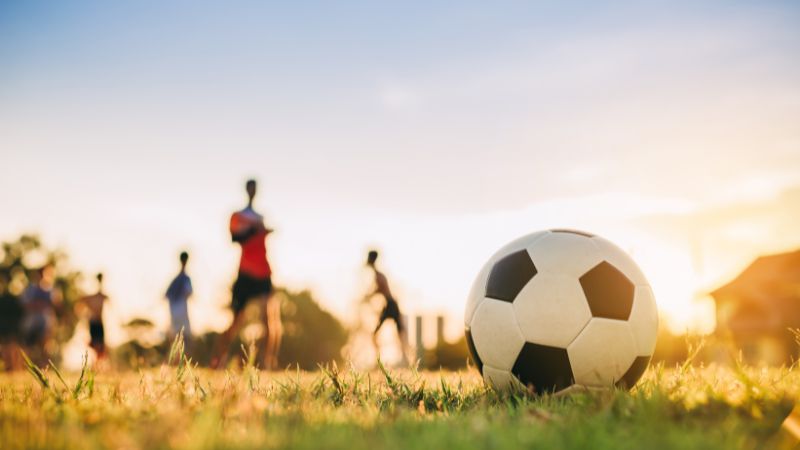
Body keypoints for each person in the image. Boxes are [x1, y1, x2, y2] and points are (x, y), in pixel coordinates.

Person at [211, 179, 281, 369]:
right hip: (245, 272)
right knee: (236, 320)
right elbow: (235, 238)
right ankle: (218, 360)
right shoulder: (239, 216)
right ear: (247, 190)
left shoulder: (260, 217)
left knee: (269, 319)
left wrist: (264, 230)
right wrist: (254, 230)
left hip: (264, 272)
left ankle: (267, 363)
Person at [364, 250, 411, 364]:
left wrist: (368, 296)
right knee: (397, 333)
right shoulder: (378, 275)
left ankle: (406, 359)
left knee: (399, 333)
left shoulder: (379, 276)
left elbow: (380, 289)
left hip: (391, 305)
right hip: (389, 305)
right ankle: (380, 360)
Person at [20, 266, 58, 358]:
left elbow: (55, 305)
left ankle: (44, 363)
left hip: (45, 318)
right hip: (32, 318)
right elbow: (25, 304)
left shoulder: (49, 289)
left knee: (45, 343)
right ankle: (28, 362)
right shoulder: (31, 289)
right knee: (28, 342)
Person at [78, 273, 109, 359]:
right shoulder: (92, 297)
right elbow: (80, 300)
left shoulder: (101, 296)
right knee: (96, 344)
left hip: (99, 322)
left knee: (100, 346)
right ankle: (96, 363)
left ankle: (97, 363)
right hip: (94, 322)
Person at [165, 251, 193, 342]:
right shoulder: (185, 279)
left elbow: (167, 295)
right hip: (181, 312)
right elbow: (189, 292)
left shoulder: (176, 280)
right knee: (184, 336)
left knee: (177, 336)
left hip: (175, 312)